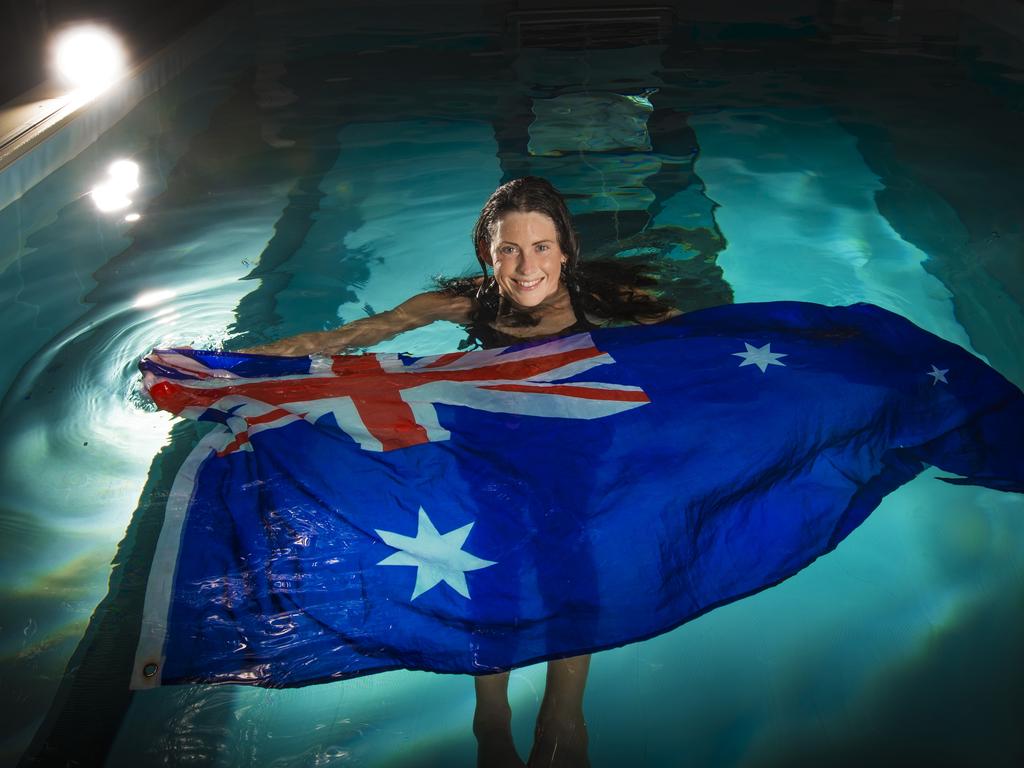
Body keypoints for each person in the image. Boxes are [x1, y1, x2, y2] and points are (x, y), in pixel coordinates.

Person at [243, 176, 677, 767]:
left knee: (572, 557)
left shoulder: (607, 298)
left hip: (575, 446)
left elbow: (706, 343)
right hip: (489, 446)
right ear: (488, 253)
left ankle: (563, 708)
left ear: (566, 249)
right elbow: (345, 338)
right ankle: (490, 712)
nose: (526, 267)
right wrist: (234, 369)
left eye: (541, 247)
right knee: (485, 560)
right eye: (509, 250)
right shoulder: (467, 302)